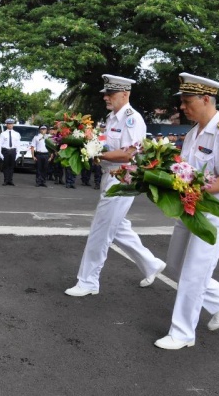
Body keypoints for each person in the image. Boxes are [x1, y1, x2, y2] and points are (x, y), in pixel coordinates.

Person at [154, 73, 219, 350]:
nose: (182, 107)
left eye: (187, 101)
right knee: (176, 265)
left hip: (215, 210)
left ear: (205, 99)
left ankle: (182, 333)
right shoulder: (194, 133)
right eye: (182, 101)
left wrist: (192, 191)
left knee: (194, 272)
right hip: (191, 206)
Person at [65, 74, 166, 297]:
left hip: (122, 178)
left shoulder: (132, 119)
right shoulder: (111, 118)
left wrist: (96, 154)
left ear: (124, 94)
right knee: (118, 227)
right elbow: (106, 145)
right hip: (109, 175)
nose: (105, 97)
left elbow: (129, 154)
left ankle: (88, 281)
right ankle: (151, 264)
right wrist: (93, 149)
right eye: (105, 93)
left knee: (101, 230)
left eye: (110, 93)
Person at [0, 118, 21, 186]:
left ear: (13, 125)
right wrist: (0, 154)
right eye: (9, 124)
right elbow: (0, 144)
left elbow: (18, 144)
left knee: (11, 166)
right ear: (6, 125)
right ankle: (6, 180)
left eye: (11, 124)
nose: (10, 125)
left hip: (13, 151)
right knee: (6, 166)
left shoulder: (16, 134)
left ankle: (10, 180)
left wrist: (18, 154)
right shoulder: (3, 134)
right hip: (6, 151)